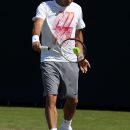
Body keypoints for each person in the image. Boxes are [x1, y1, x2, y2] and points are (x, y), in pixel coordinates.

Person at [32, 0, 91, 130]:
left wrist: (80, 57)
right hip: (49, 59)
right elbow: (38, 23)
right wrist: (35, 39)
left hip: (69, 59)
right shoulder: (45, 6)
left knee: (73, 100)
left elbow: (78, 35)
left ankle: (66, 125)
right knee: (51, 97)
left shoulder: (77, 8)